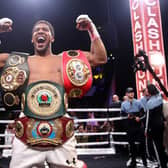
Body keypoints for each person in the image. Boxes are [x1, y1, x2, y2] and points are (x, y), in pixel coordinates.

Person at [0, 14, 107, 168]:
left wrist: (91, 28)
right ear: (32, 39)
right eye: (36, 30)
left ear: (52, 38)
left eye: (45, 30)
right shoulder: (20, 62)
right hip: (26, 135)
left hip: (61, 133)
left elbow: (100, 58)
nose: (40, 32)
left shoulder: (66, 60)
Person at [121, 87, 147, 168]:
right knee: (131, 144)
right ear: (127, 94)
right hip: (129, 125)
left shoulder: (138, 102)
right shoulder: (123, 104)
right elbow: (122, 114)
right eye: (130, 92)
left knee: (142, 143)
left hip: (138, 124)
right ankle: (133, 161)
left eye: (132, 92)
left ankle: (144, 160)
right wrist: (127, 115)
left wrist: (140, 118)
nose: (131, 93)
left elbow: (143, 113)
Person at [145, 84, 168, 168]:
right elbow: (161, 112)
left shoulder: (150, 102)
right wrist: (164, 121)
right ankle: (164, 162)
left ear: (150, 91)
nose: (145, 91)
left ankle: (161, 164)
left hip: (154, 127)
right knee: (161, 145)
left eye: (147, 89)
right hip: (161, 124)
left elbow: (148, 118)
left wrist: (146, 130)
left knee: (156, 146)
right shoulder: (159, 99)